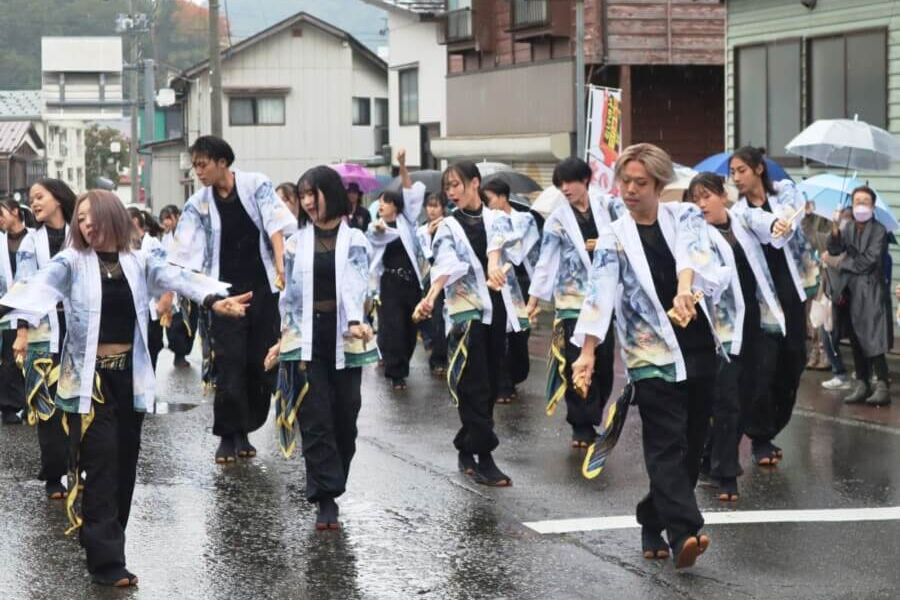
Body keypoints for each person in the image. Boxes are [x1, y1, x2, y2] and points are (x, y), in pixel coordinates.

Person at [0, 189, 248, 587]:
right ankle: (107, 562)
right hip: (89, 382)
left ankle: (102, 538)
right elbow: (34, 288)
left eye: (90, 217)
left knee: (124, 467)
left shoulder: (139, 261)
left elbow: (177, 277)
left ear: (110, 216)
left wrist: (215, 299)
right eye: (79, 219)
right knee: (100, 463)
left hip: (128, 378)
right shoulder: (71, 262)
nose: (84, 225)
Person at [572, 144, 732, 569]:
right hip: (649, 351)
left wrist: (685, 289)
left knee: (693, 443)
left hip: (695, 343)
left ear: (659, 184)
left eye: (639, 183)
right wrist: (587, 353)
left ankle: (650, 516)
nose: (629, 189)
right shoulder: (614, 235)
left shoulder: (685, 218)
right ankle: (685, 532)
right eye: (624, 181)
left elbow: (696, 260)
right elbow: (599, 293)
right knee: (666, 442)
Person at [169, 135, 296, 463]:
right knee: (229, 363)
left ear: (222, 162)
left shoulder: (256, 185)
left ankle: (246, 427)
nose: (198, 171)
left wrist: (282, 266)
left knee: (258, 361)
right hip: (224, 294)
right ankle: (229, 434)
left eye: (202, 164)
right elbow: (183, 252)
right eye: (195, 165)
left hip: (263, 288)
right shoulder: (197, 204)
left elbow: (276, 226)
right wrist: (179, 292)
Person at [265, 165, 376, 530]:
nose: (309, 202)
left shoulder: (356, 239)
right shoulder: (296, 243)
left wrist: (358, 319)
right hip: (306, 335)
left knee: (346, 416)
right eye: (304, 196)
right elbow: (290, 299)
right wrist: (282, 341)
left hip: (346, 335)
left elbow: (359, 283)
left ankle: (334, 479)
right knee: (315, 418)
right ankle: (324, 497)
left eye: (314, 194)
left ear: (332, 193)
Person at [413, 161, 527, 487]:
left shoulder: (498, 218)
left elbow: (500, 250)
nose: (451, 192)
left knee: (490, 382)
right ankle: (485, 457)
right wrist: (432, 296)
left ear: (475, 183)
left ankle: (466, 445)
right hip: (465, 312)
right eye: (447, 187)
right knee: (473, 382)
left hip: (496, 309)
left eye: (456, 185)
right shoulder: (447, 226)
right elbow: (445, 265)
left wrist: (494, 265)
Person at [687, 172, 786, 502]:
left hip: (751, 322)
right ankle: (726, 474)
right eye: (695, 198)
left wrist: (778, 225)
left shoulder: (742, 220)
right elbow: (708, 276)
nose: (701, 203)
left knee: (750, 393)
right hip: (720, 328)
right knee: (726, 400)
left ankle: (708, 455)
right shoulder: (695, 236)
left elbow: (764, 221)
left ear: (722, 196)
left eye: (706, 196)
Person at [729, 146, 818, 466]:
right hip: (762, 300)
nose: (736, 178)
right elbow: (761, 224)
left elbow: (793, 220)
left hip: (792, 293)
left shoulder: (787, 196)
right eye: (733, 172)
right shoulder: (740, 213)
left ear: (758, 169)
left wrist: (786, 221)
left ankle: (772, 427)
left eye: (741, 170)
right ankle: (760, 437)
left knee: (793, 362)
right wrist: (773, 225)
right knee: (764, 369)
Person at [525, 157, 616, 448]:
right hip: (571, 299)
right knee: (578, 362)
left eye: (570, 182)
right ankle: (581, 423)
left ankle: (594, 413)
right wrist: (534, 299)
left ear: (585, 180)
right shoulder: (556, 219)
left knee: (603, 361)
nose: (565, 189)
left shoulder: (607, 208)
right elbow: (546, 262)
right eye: (560, 184)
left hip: (604, 297)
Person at [13, 178, 75, 499]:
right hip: (42, 332)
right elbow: (24, 287)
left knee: (78, 403)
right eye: (30, 198)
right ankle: (54, 476)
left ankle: (77, 469)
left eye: (39, 197)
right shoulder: (29, 242)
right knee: (47, 406)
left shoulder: (79, 235)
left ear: (58, 199)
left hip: (77, 330)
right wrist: (22, 331)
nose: (33, 203)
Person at [825, 186, 891, 406]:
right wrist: (834, 229)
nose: (860, 206)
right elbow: (834, 249)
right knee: (855, 338)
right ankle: (862, 382)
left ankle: (881, 383)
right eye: (856, 201)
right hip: (850, 290)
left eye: (865, 201)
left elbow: (868, 261)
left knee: (873, 337)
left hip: (871, 290)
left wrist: (843, 263)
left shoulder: (879, 230)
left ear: (872, 206)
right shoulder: (848, 227)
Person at [368, 149, 428, 390]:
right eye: (380, 202)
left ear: (395, 205)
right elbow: (374, 237)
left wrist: (402, 165)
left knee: (409, 327)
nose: (381, 205)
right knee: (392, 327)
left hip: (411, 283)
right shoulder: (377, 227)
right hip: (389, 284)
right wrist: (379, 231)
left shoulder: (407, 221)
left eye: (385, 201)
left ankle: (402, 361)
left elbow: (410, 191)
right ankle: (396, 373)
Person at [482, 178, 541, 404]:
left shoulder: (524, 218)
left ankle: (515, 375)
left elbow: (520, 248)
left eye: (490, 199)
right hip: (498, 283)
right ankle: (502, 383)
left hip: (521, 281)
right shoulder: (488, 220)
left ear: (503, 197)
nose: (488, 205)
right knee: (500, 332)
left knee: (519, 333)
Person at [0, 199, 33, 424]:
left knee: (35, 358)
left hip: (33, 309)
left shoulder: (33, 239)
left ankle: (34, 404)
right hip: (7, 309)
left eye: (1, 212)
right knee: (10, 359)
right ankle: (10, 406)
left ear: (15, 211)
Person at [416, 193, 448, 376]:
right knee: (430, 318)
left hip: (446, 279)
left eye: (436, 206)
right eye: (429, 206)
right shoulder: (422, 230)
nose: (432, 210)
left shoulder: (449, 226)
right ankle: (435, 355)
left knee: (442, 319)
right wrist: (428, 235)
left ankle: (441, 356)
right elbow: (425, 255)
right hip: (428, 280)